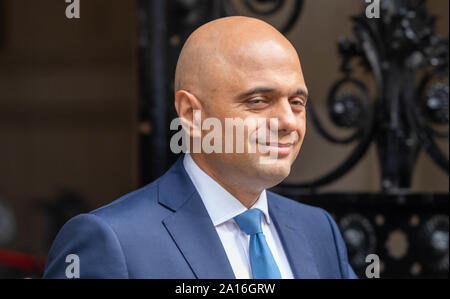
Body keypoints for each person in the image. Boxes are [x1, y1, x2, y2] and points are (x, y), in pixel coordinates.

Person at [43, 16, 357, 279]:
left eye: (297, 102)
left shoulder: (318, 230)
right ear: (192, 114)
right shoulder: (111, 241)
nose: (288, 122)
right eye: (259, 101)